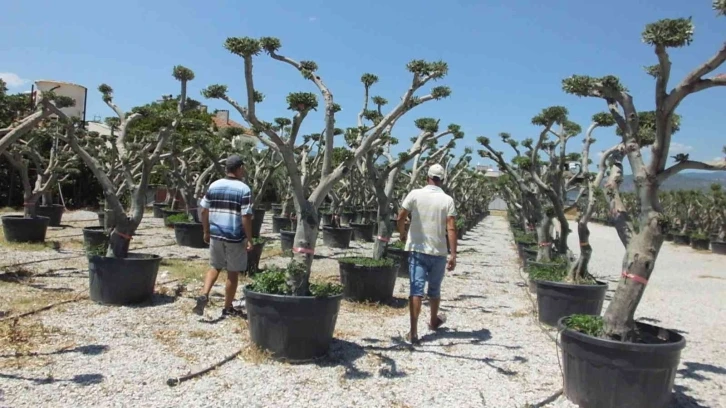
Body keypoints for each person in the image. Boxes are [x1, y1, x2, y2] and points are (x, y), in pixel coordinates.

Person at [397, 163, 457, 344]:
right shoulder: (447, 200)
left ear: (427, 177)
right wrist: (453, 254)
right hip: (439, 251)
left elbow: (400, 216)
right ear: (442, 180)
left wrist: (402, 233)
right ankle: (433, 321)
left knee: (416, 290)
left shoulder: (415, 194)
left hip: (417, 249)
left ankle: (413, 332)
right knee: (434, 290)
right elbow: (452, 228)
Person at [193, 155, 254, 317]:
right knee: (232, 273)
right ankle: (227, 307)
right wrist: (249, 238)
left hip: (216, 234)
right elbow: (246, 216)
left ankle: (204, 294)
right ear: (239, 168)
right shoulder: (244, 189)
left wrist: (206, 230)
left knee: (214, 266)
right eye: (244, 168)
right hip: (234, 237)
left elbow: (204, 210)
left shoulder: (214, 185)